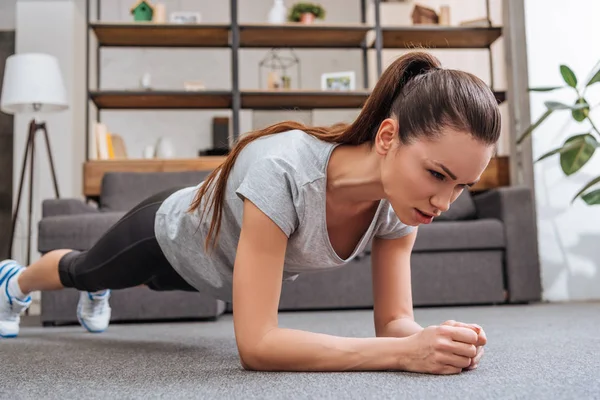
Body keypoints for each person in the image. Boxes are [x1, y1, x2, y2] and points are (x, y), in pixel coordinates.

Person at [0, 51, 496, 375]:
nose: (444, 204)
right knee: (84, 270)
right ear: (388, 137)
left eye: (462, 185)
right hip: (167, 237)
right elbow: (257, 346)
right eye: (437, 175)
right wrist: (403, 354)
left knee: (128, 282)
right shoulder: (282, 169)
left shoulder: (397, 210)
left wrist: (436, 340)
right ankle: (14, 284)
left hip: (213, 272)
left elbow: (395, 324)